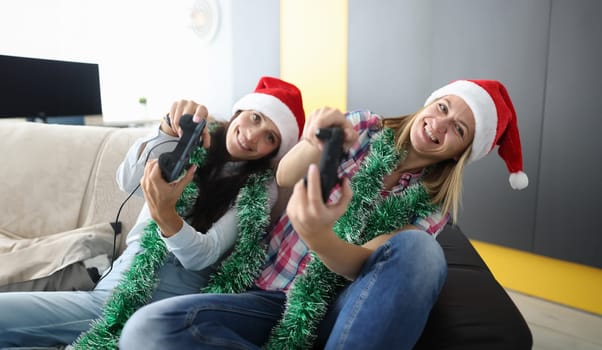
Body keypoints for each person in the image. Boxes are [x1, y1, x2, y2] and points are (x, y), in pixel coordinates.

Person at [118, 79, 529, 350]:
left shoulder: (432, 206)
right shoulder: (365, 127)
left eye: (459, 129)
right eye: (442, 108)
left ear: (462, 152)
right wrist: (313, 142)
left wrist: (317, 235)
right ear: (429, 103)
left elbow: (362, 265)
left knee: (421, 250)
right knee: (145, 331)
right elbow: (284, 173)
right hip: (263, 295)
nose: (441, 124)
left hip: (338, 310)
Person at [0, 76, 305, 348]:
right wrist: (165, 132)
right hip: (116, 285)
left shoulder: (260, 189)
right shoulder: (193, 137)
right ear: (239, 112)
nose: (252, 136)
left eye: (270, 137)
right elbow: (127, 179)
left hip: (170, 300)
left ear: (274, 151)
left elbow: (204, 254)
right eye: (254, 118)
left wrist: (165, 213)